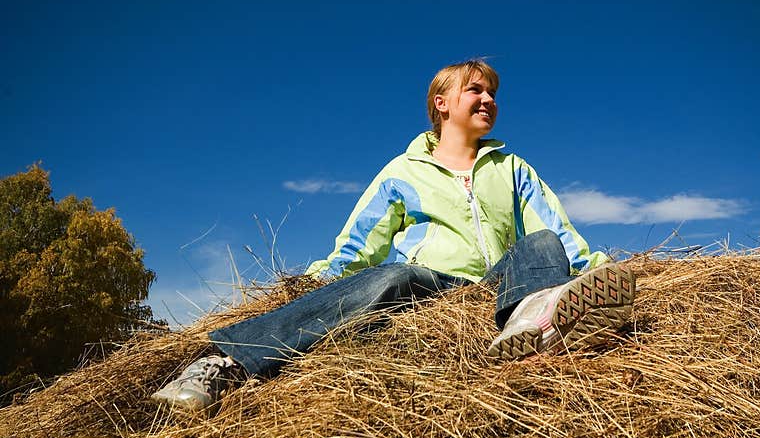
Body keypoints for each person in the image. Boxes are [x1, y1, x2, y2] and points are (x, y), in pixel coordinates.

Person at [151, 59, 636, 413]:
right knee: (395, 273)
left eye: (491, 93)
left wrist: (604, 272)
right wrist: (318, 279)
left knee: (543, 245)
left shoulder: (513, 168)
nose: (488, 99)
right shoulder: (402, 172)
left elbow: (556, 229)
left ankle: (531, 323)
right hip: (435, 284)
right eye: (475, 90)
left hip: (500, 286)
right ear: (441, 104)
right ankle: (226, 362)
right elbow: (360, 241)